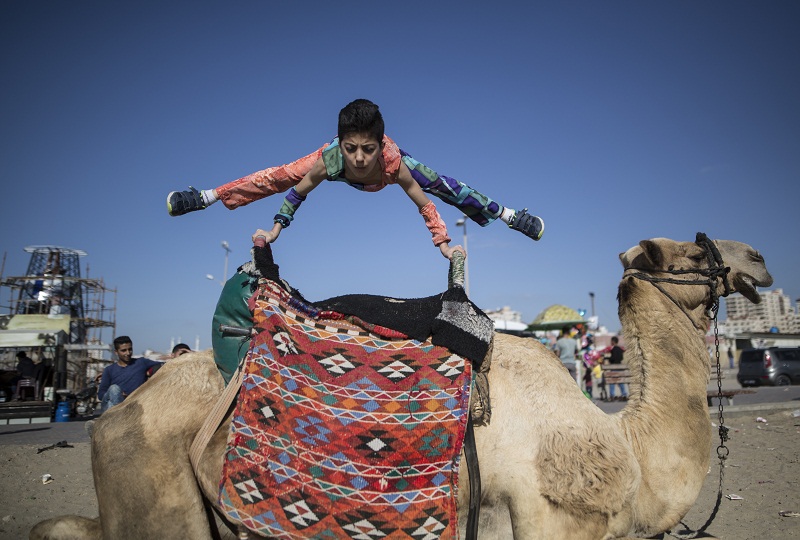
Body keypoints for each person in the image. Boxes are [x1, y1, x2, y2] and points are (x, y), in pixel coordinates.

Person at [166, 99, 544, 260]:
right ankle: (207, 196)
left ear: (380, 146)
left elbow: (425, 204)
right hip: (324, 167)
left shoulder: (393, 164)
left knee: (442, 183)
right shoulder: (330, 160)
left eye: (367, 149)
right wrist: (278, 226)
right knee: (278, 175)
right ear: (341, 145)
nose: (360, 159)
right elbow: (297, 192)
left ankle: (509, 215)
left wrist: (443, 244)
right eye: (351, 149)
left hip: (399, 169)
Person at [97, 336, 163, 413]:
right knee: (114, 389)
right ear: (116, 352)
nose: (128, 353)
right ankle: (116, 417)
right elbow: (101, 395)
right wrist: (117, 394)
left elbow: (163, 365)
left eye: (130, 349)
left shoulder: (141, 362)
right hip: (113, 406)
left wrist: (149, 372)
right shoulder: (109, 370)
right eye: (123, 350)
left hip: (133, 404)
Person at [605, 336, 628, 401]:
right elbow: (621, 358)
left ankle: (612, 395)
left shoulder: (613, 349)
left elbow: (613, 358)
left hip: (614, 368)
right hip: (620, 368)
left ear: (613, 341)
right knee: (621, 381)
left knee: (612, 381)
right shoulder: (620, 349)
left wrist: (608, 358)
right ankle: (624, 394)